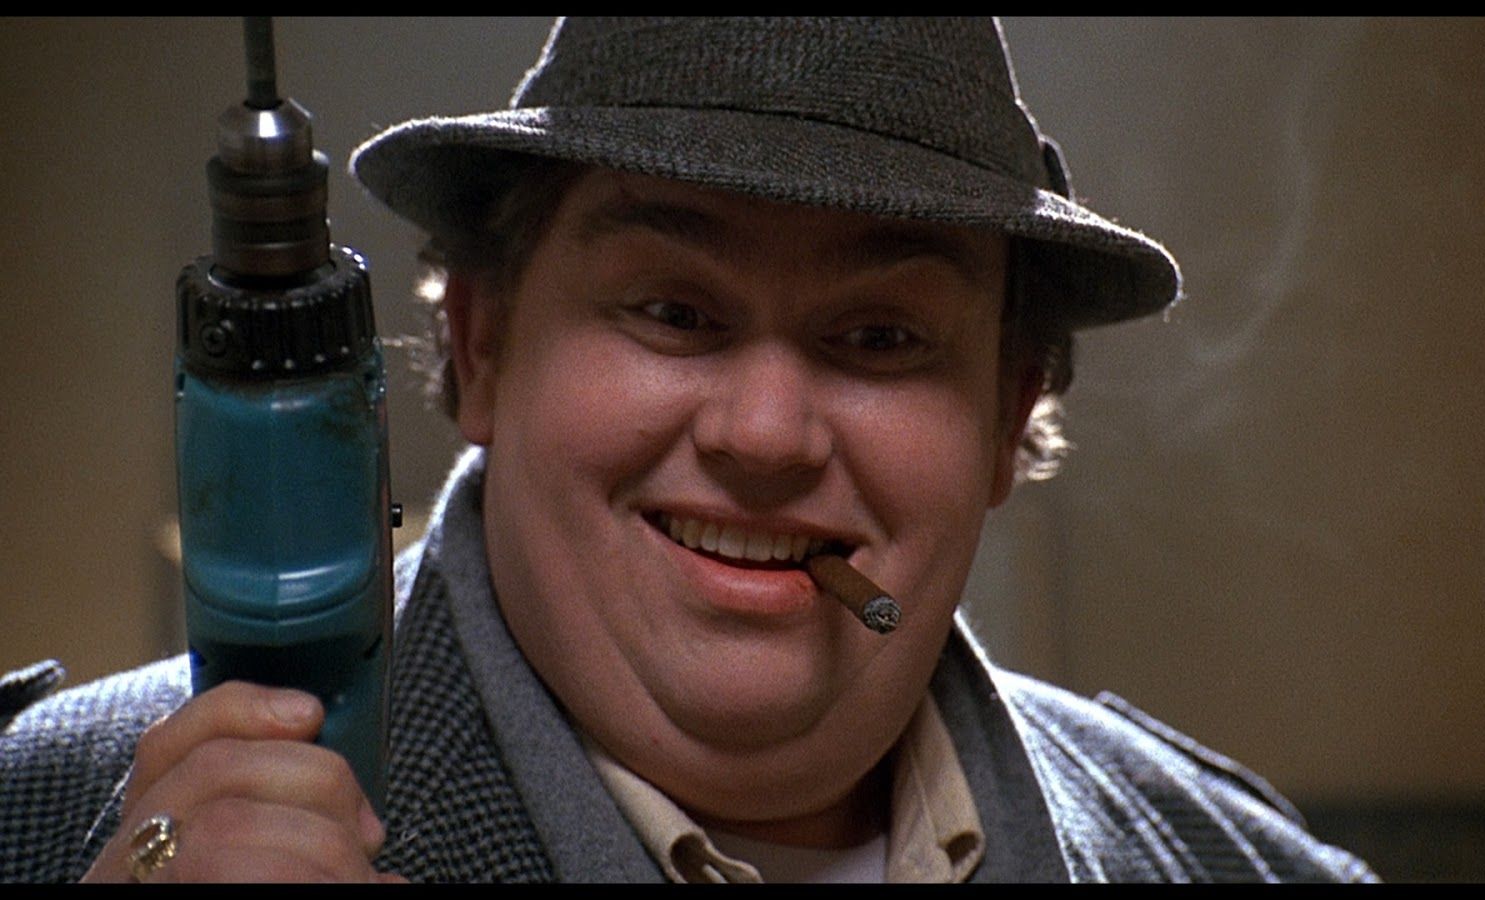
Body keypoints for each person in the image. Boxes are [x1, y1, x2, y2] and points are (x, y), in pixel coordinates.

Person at [1, 18, 1376, 883]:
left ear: (1010, 419)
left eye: (882, 336)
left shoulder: (1235, 863)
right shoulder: (38, 823)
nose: (764, 437)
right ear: (479, 348)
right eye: (672, 311)